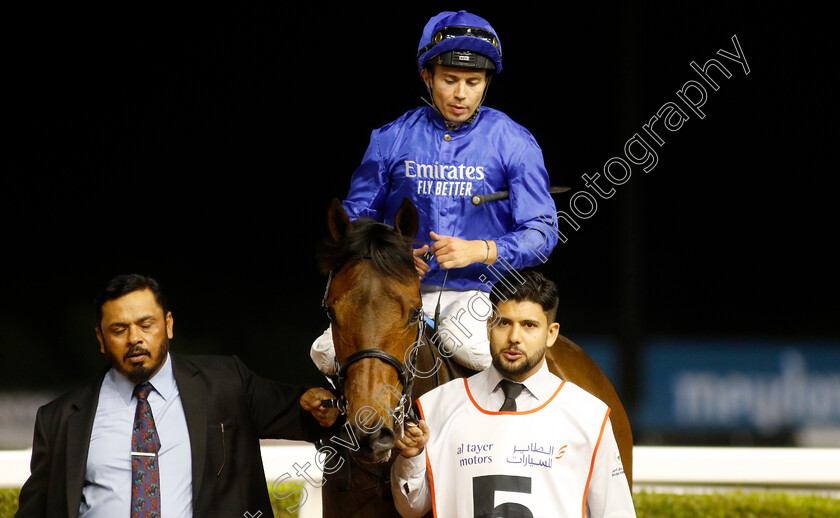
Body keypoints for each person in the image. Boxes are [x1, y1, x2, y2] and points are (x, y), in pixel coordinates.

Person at [311, 10, 559, 376]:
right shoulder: (390, 139)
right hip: (398, 288)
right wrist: (392, 254)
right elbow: (356, 219)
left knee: (469, 346)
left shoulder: (515, 143)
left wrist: (481, 250)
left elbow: (543, 234)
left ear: (487, 82)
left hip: (482, 292)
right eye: (449, 80)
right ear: (427, 77)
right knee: (326, 352)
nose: (461, 94)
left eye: (473, 82)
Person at [15, 274, 339, 518]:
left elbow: (301, 412)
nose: (134, 339)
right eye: (119, 330)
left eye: (146, 324)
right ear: (101, 338)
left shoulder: (226, 383)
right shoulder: (59, 418)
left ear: (168, 325)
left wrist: (322, 406)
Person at [390, 269, 636, 517]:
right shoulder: (435, 407)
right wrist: (412, 455)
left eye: (529, 325)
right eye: (504, 323)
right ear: (488, 327)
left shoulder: (590, 417)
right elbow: (410, 508)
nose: (514, 337)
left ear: (551, 334)